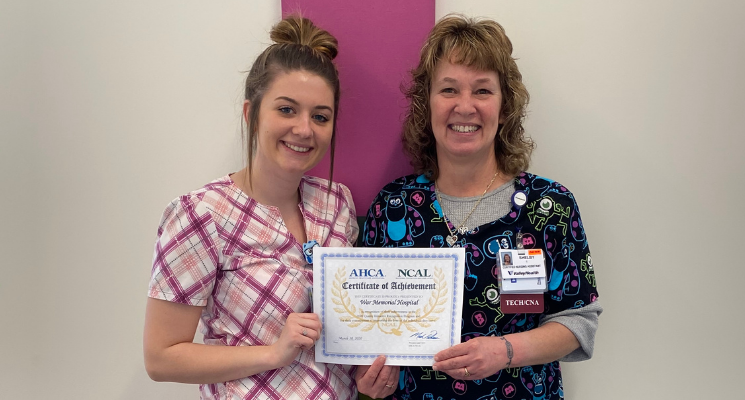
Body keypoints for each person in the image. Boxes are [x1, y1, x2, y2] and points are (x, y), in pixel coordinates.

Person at [144, 16, 398, 400]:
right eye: (286, 110)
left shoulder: (336, 204)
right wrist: (272, 353)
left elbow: (348, 328)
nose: (304, 129)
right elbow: (161, 358)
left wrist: (366, 374)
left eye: (320, 116)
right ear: (251, 114)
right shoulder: (202, 214)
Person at [362, 15, 601, 399]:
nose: (465, 106)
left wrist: (505, 351)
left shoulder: (549, 206)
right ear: (427, 103)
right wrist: (369, 374)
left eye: (483, 91)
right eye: (449, 89)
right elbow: (365, 324)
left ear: (505, 106)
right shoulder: (395, 206)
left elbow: (577, 322)